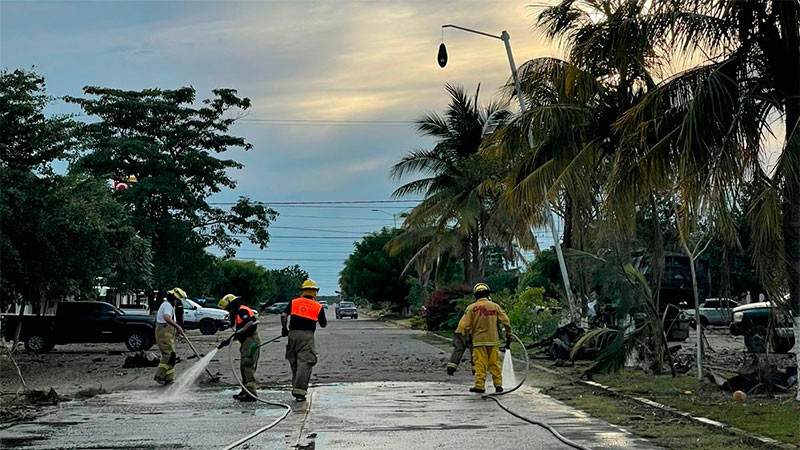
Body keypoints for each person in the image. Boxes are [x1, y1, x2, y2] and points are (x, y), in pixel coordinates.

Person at [460, 283, 512, 394]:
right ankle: (498, 385)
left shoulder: (471, 308)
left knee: (480, 364)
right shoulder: (495, 306)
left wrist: (466, 336)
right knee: (494, 363)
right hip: (493, 340)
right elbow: (506, 322)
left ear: (475, 295)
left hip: (478, 341)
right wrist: (508, 333)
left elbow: (465, 326)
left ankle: (479, 386)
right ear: (487, 293)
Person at [281, 279, 327, 402]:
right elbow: (323, 324)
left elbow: (283, 315)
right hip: (307, 336)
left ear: (302, 291)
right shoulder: (318, 306)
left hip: (292, 334)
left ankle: (295, 385)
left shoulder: (294, 302)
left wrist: (284, 328)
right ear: (315, 292)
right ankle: (300, 391)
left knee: (294, 360)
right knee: (305, 362)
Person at [217, 294, 261, 402]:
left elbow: (249, 323)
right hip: (246, 341)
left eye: (228, 308)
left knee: (248, 365)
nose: (228, 310)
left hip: (251, 341)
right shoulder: (237, 313)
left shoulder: (242, 310)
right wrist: (229, 340)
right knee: (243, 367)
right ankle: (245, 391)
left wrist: (238, 333)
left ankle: (251, 393)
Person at [154, 288, 185, 385]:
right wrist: (177, 326)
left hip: (167, 332)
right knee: (168, 355)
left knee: (172, 356)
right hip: (163, 332)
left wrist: (176, 331)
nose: (177, 302)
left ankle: (169, 378)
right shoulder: (167, 305)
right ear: (172, 298)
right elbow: (166, 318)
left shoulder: (170, 305)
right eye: (177, 300)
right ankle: (160, 376)